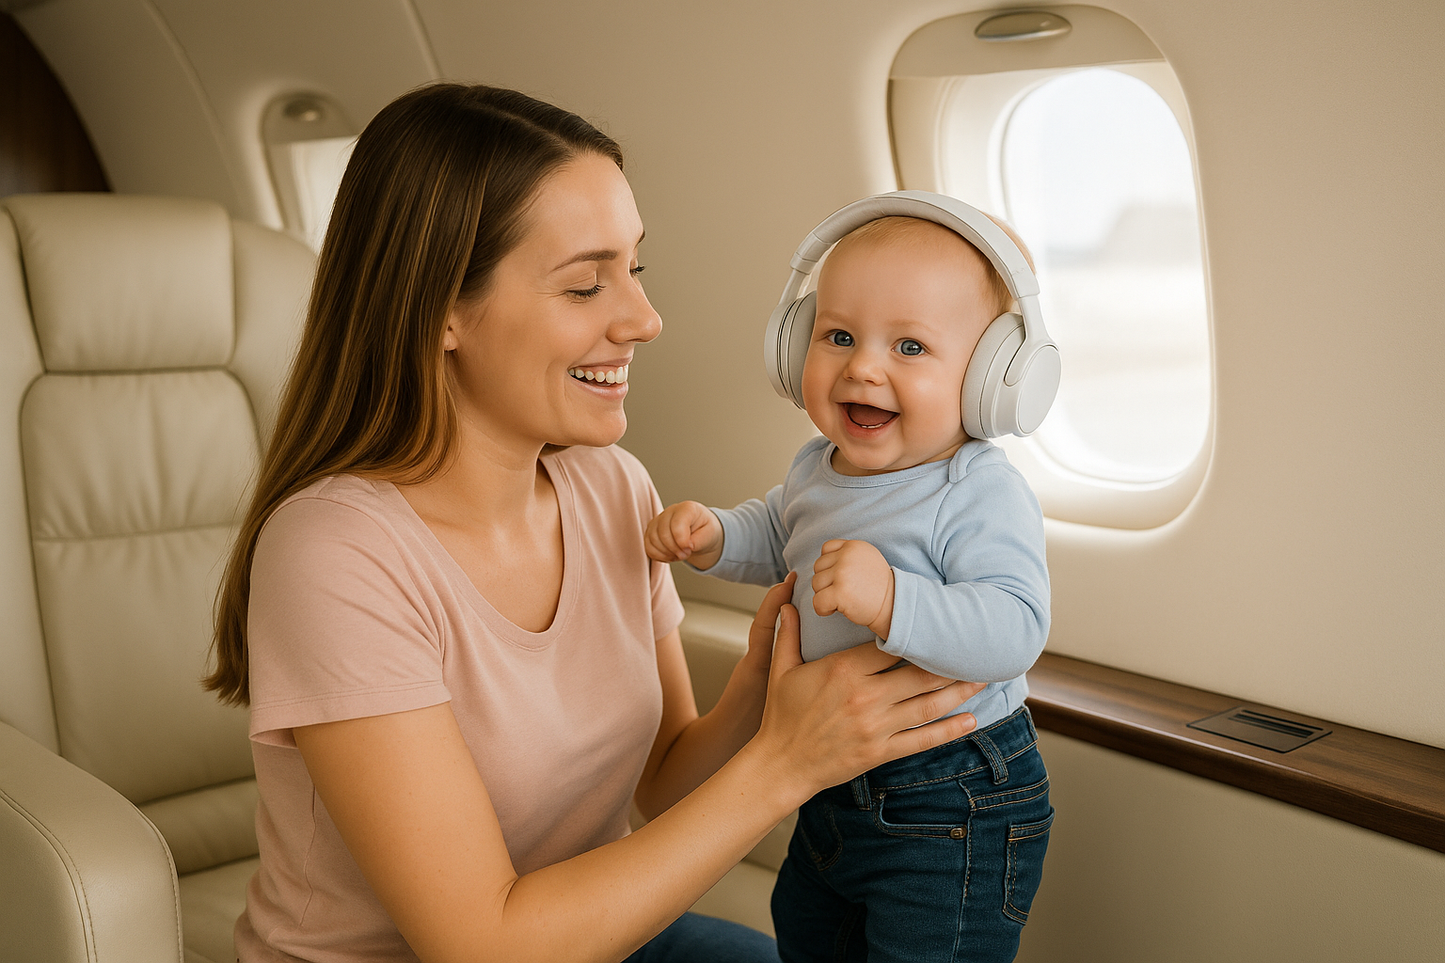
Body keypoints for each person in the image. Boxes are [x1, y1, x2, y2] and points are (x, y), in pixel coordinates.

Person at [202, 84, 986, 963]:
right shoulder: (335, 555)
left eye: (633, 270)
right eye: (584, 284)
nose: (643, 320)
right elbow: (482, 943)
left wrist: (767, 684)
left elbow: (661, 780)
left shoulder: (612, 489)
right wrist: (788, 763)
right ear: (443, 311)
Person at [644, 207, 1055, 961]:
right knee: (807, 937)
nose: (863, 367)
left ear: (992, 379)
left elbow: (1014, 625)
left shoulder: (975, 489)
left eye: (909, 345)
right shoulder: (814, 465)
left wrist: (892, 598)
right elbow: (777, 535)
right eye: (838, 336)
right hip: (829, 774)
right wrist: (714, 537)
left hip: (954, 789)